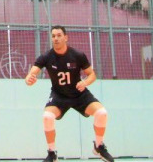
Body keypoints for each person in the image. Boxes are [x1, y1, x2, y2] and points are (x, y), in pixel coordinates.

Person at [25, 26, 115, 162]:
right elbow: (31, 74)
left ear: (65, 37)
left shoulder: (77, 55)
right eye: (53, 36)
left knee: (102, 113)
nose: (56, 38)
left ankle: (99, 146)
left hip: (80, 95)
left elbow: (92, 75)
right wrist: (29, 79)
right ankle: (52, 153)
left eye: (59, 35)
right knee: (47, 117)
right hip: (59, 96)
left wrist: (85, 82)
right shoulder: (46, 57)